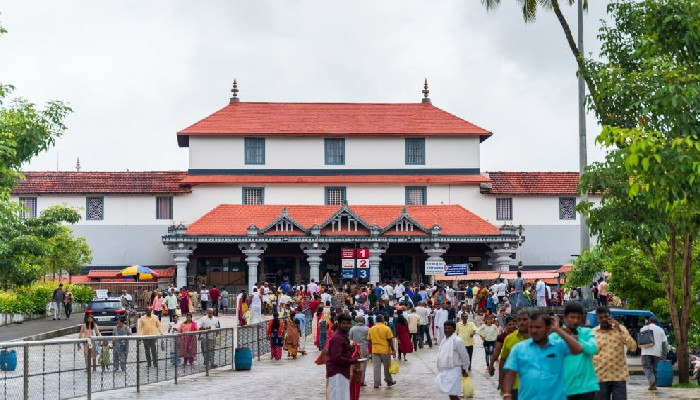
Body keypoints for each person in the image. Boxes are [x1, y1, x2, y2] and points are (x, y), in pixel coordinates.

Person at [502, 313, 583, 400]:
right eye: (531, 327)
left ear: (548, 328)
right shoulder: (519, 349)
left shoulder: (558, 346)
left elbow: (578, 349)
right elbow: (510, 373)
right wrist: (507, 394)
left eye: (538, 327)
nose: (534, 331)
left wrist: (558, 330)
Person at [549, 303, 599, 399]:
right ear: (565, 318)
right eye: (572, 317)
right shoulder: (554, 336)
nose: (576, 320)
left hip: (586, 387)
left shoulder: (587, 332)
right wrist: (564, 334)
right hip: (565, 388)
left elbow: (593, 349)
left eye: (578, 318)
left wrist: (577, 339)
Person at [592, 306, 638, 399]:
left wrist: (619, 330)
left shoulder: (621, 329)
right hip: (600, 377)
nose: (604, 319)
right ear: (597, 319)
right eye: (601, 317)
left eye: (606, 316)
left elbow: (633, 347)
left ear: (610, 316)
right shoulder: (593, 333)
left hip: (618, 377)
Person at [499, 310, 532, 399]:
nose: (521, 322)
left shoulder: (537, 338)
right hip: (514, 386)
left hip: (534, 387)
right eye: (519, 320)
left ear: (530, 320)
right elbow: (503, 360)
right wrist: (501, 383)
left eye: (524, 319)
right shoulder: (509, 339)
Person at [435, 320, 471, 400]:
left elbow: (464, 356)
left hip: (455, 370)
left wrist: (465, 369)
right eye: (445, 328)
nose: (447, 330)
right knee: (451, 394)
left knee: (453, 394)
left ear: (454, 329)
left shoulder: (457, 341)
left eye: (449, 328)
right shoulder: (444, 340)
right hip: (445, 370)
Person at [325, 313, 357, 399]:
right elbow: (336, 357)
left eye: (348, 323)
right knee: (338, 396)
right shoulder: (338, 337)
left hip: (342, 370)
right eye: (343, 323)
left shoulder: (343, 336)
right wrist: (352, 361)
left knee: (342, 395)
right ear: (338, 324)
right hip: (337, 371)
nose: (346, 325)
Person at [367, 314, 396, 388]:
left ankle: (376, 383)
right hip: (385, 350)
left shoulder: (371, 329)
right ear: (383, 320)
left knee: (376, 367)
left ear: (376, 320)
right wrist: (393, 350)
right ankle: (389, 381)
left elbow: (369, 341)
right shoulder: (386, 328)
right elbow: (390, 340)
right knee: (387, 366)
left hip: (375, 350)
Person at [640, 317, 668, 391]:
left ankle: (652, 380)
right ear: (656, 322)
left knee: (646, 367)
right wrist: (664, 355)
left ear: (649, 321)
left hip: (646, 351)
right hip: (657, 352)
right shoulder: (660, 330)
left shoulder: (644, 328)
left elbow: (640, 337)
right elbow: (664, 344)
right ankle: (653, 385)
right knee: (654, 369)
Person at [490, 316, 517, 388]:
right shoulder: (502, 337)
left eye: (513, 324)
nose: (512, 326)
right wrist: (491, 364)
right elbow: (497, 351)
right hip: (506, 363)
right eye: (509, 325)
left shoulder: (521, 335)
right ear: (506, 325)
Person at [348, 315, 370, 387]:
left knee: (354, 365)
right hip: (364, 348)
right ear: (364, 321)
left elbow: (350, 339)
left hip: (354, 349)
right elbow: (369, 339)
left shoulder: (352, 329)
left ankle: (354, 379)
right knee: (363, 366)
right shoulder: (367, 329)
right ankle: (361, 381)